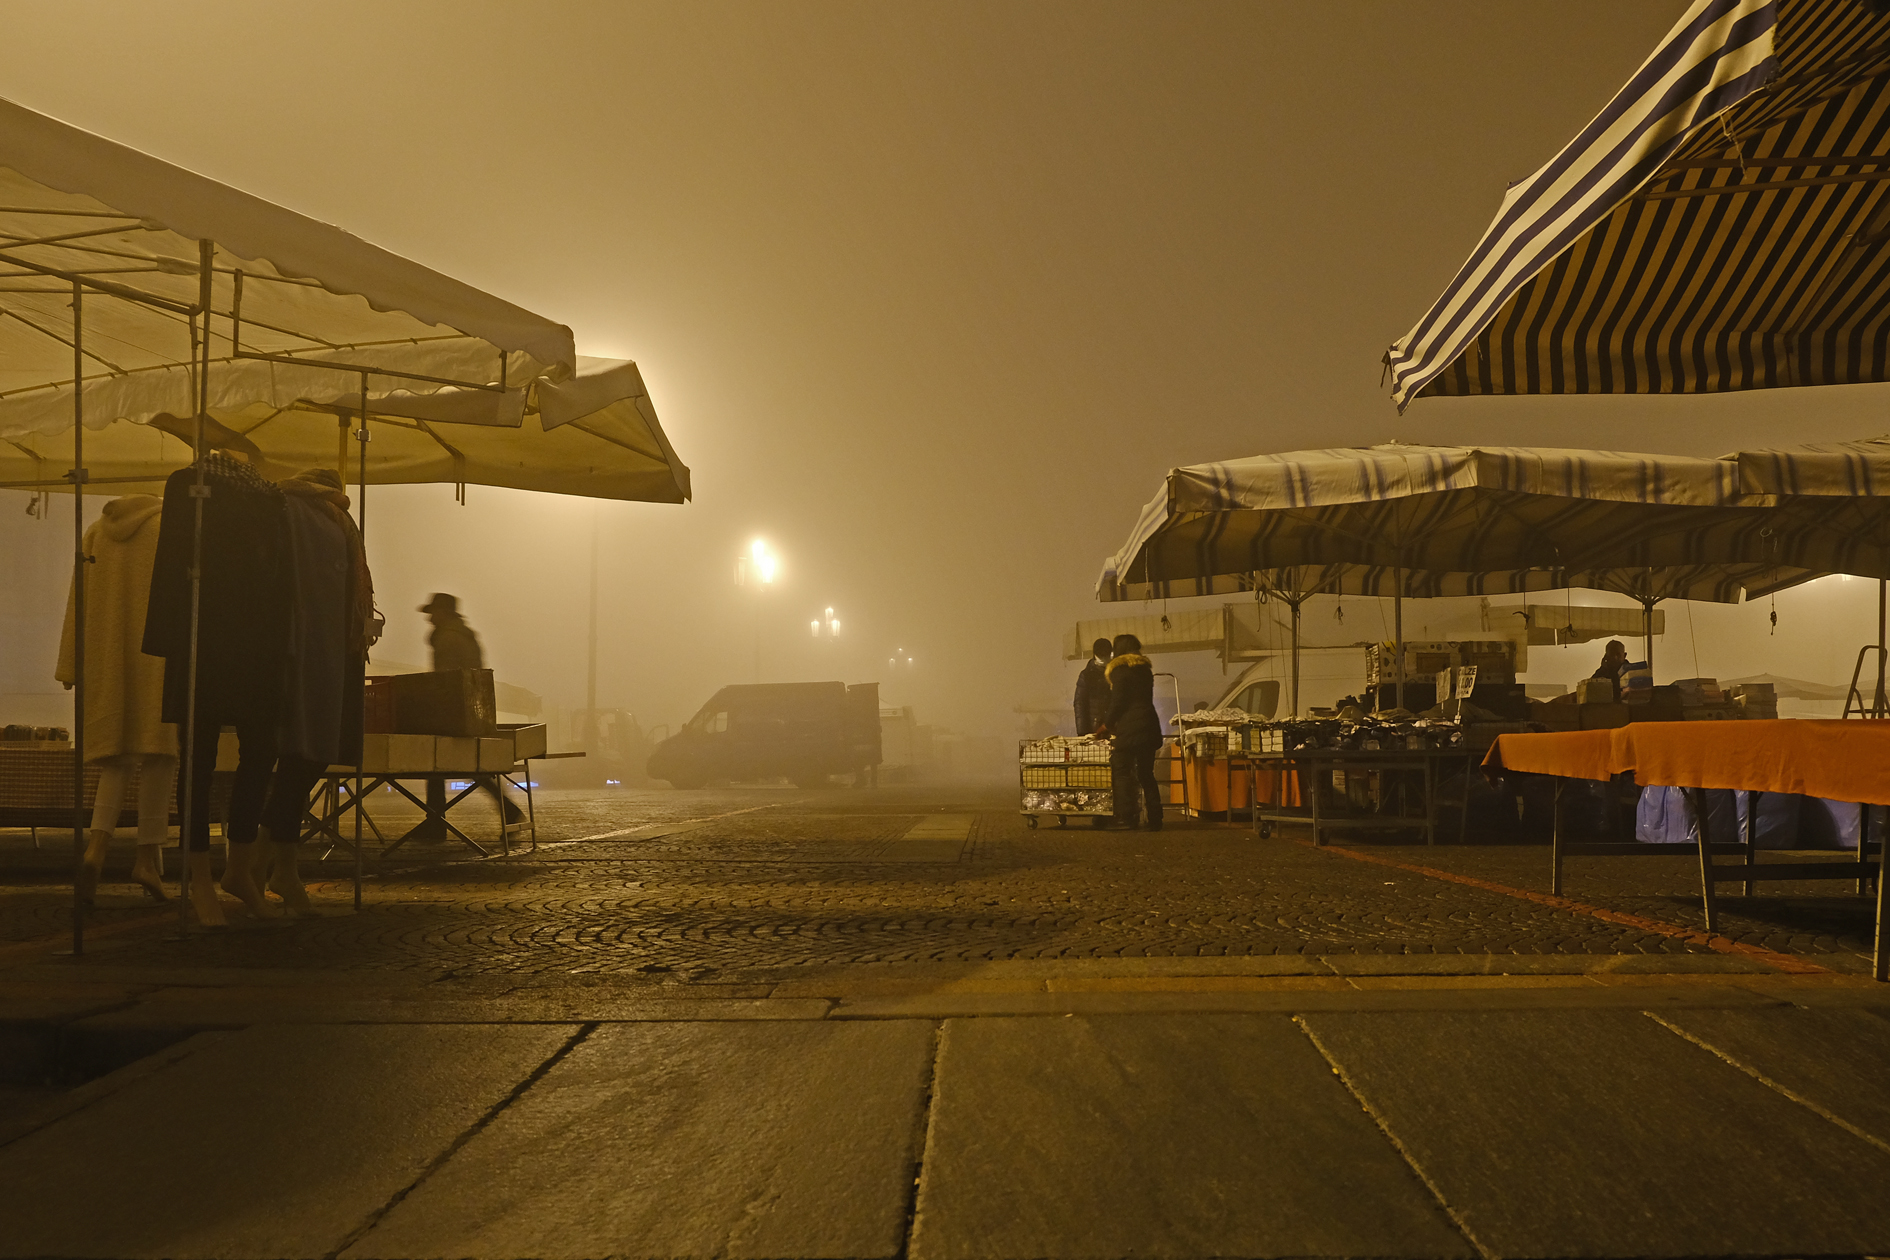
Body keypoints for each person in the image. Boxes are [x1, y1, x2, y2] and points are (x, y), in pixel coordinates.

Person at [56, 494, 175, 907]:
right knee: (160, 757)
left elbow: (78, 601)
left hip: (108, 658)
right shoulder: (169, 529)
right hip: (158, 660)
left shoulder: (95, 534)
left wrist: (70, 664)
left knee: (116, 760)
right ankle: (146, 858)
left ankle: (96, 849)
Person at [411, 594, 522, 837]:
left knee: (438, 765)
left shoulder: (448, 638)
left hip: (453, 711)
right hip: (468, 710)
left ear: (443, 613)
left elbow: (446, 679)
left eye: (433, 612)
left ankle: (436, 824)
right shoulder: (462, 635)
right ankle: (437, 823)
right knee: (466, 769)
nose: (429, 618)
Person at [1098, 632, 1162, 831]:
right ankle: (1155, 818)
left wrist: (1106, 725)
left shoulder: (1120, 670)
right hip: (1149, 725)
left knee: (1121, 769)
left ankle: (1126, 817)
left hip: (1131, 727)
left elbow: (1118, 702)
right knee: (1146, 773)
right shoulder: (1144, 670)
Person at [1073, 638, 1113, 735]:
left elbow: (1079, 704)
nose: (1104, 658)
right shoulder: (1086, 675)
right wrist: (1082, 732)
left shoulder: (1086, 674)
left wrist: (1082, 732)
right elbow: (1080, 704)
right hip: (1101, 728)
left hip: (1098, 726)